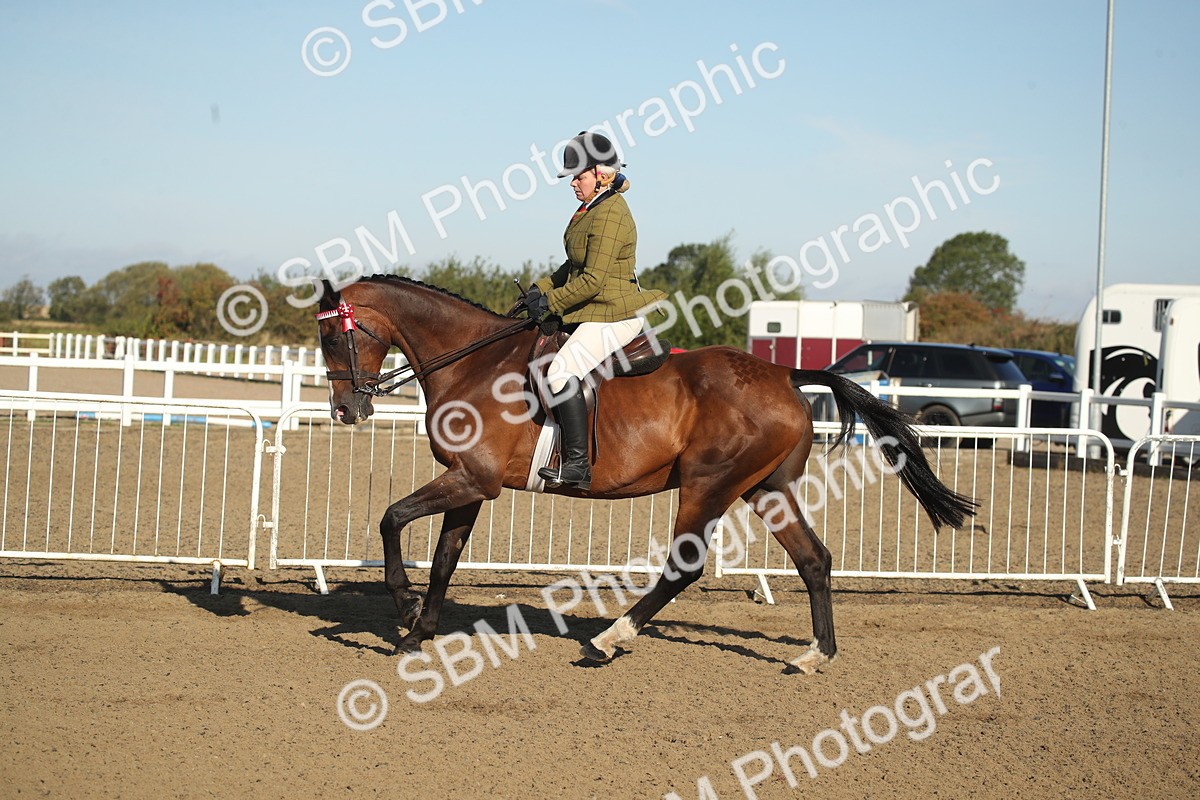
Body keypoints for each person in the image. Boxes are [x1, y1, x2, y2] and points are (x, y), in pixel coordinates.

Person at [522, 131, 667, 491]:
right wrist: (540, 289)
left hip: (613, 313)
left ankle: (576, 465)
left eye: (579, 176)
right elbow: (571, 266)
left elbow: (593, 281)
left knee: (560, 372)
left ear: (601, 174)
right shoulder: (590, 208)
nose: (573, 182)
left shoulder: (611, 213)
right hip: (594, 309)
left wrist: (551, 304)